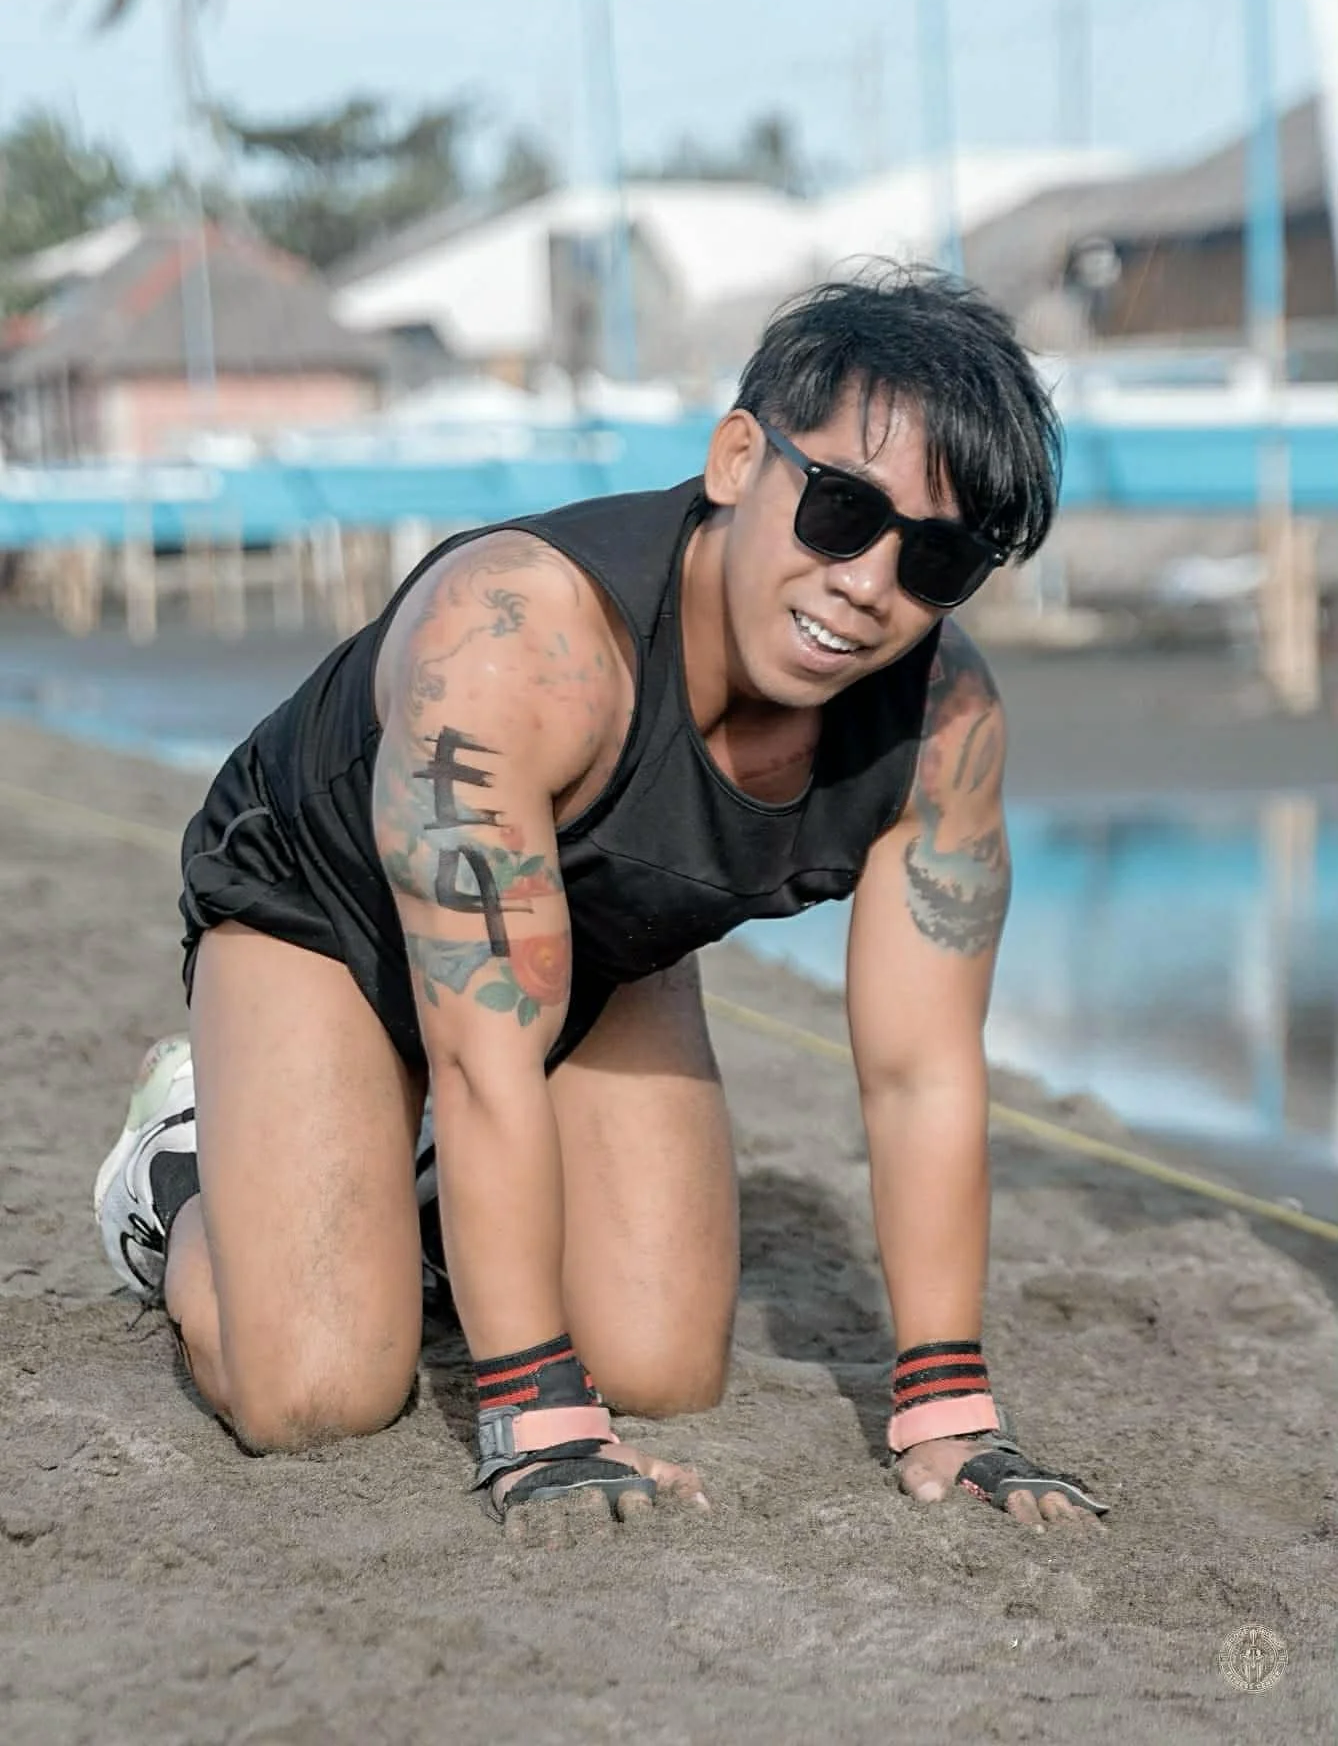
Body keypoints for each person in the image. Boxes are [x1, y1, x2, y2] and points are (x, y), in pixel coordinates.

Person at [95, 268, 1108, 1533]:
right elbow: (479, 1055)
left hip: (586, 940)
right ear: (741, 456)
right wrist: (535, 1420)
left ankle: (392, 1196)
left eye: (939, 555)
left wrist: (949, 1409)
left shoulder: (944, 723)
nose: (868, 580)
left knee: (660, 1367)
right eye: (842, 510)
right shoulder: (517, 638)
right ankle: (184, 1164)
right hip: (323, 916)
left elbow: (922, 1074)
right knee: (316, 1393)